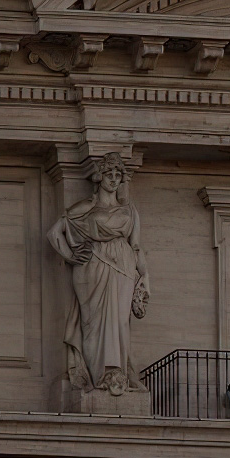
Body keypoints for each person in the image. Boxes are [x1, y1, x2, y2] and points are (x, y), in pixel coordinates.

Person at [48, 153, 150, 395]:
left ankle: (118, 373)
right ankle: (97, 377)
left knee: (120, 322)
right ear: (99, 176)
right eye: (109, 174)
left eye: (118, 175)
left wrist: (145, 277)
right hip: (92, 265)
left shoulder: (130, 210)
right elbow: (54, 233)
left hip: (124, 265)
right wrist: (70, 256)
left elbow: (136, 246)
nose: (114, 179)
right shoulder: (86, 207)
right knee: (92, 322)